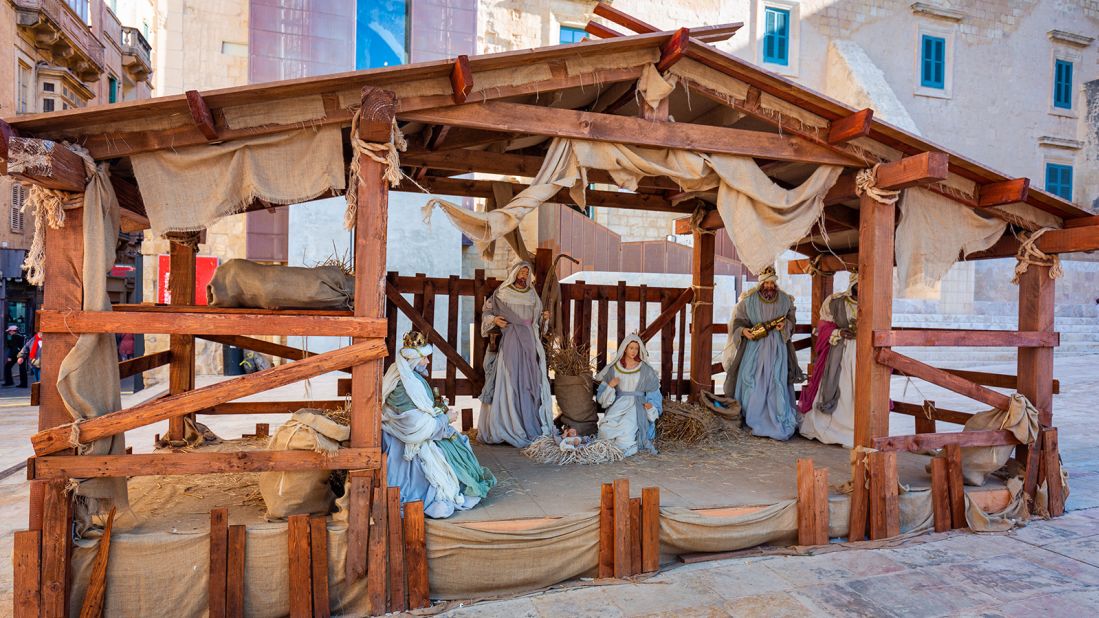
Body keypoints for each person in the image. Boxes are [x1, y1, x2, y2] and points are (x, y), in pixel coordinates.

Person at [382, 331, 496, 519]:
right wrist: (446, 419)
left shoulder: (405, 376)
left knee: (459, 445)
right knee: (454, 458)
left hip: (415, 434)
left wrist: (436, 408)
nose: (427, 362)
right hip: (409, 445)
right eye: (424, 358)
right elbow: (415, 425)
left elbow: (421, 408)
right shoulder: (405, 384)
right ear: (413, 360)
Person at [721, 266, 804, 441]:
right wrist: (744, 332)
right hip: (754, 349)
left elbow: (791, 320)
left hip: (777, 350)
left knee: (776, 380)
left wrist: (786, 325)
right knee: (751, 380)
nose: (769, 286)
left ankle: (776, 416)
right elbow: (737, 323)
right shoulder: (748, 301)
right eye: (766, 283)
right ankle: (752, 416)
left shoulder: (785, 300)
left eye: (772, 283)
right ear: (761, 284)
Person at [477, 261, 555, 447]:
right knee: (509, 380)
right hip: (511, 340)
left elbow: (539, 325)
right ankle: (506, 423)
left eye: (526, 273)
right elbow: (486, 313)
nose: (523, 276)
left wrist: (545, 320)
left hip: (530, 342)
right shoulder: (501, 293)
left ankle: (525, 422)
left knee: (530, 382)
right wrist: (495, 319)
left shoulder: (532, 296)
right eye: (521, 272)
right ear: (514, 274)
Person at [799, 276, 858, 448]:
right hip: (839, 352)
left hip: (861, 354)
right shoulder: (836, 302)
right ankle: (830, 428)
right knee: (839, 385)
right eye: (858, 284)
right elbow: (824, 327)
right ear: (853, 284)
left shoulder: (872, 302)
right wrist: (839, 333)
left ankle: (856, 428)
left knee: (856, 389)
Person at [595, 334, 662, 457]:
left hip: (636, 406)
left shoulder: (645, 369)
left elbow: (654, 392)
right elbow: (602, 400)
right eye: (631, 348)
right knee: (605, 430)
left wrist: (651, 407)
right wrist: (610, 386)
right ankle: (609, 449)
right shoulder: (614, 369)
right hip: (618, 405)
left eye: (636, 348)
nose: (633, 351)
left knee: (626, 430)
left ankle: (622, 450)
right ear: (625, 349)